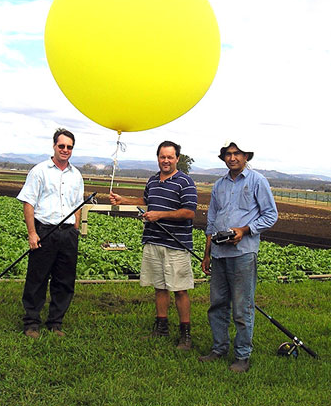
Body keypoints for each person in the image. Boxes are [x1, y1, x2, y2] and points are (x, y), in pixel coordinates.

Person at [110, 141, 197, 350]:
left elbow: (189, 212)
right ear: (158, 158)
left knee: (180, 289)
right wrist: (125, 200)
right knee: (159, 287)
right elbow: (146, 200)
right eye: (162, 157)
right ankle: (161, 327)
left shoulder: (185, 182)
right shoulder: (152, 180)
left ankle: (185, 334)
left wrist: (161, 215)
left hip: (176, 244)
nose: (165, 161)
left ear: (177, 159)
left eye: (170, 157)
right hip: (153, 240)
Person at [200, 140, 278, 372]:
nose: (232, 158)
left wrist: (244, 231)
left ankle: (242, 355)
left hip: (243, 253)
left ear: (246, 157)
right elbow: (211, 221)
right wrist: (207, 254)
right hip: (219, 253)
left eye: (237, 154)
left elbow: (270, 215)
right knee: (217, 304)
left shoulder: (257, 181)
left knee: (242, 307)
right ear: (223, 158)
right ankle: (218, 347)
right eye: (228, 154)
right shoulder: (219, 185)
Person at [17, 128, 84, 338]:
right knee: (37, 278)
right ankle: (31, 323)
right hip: (45, 230)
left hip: (68, 235)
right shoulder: (39, 171)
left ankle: (55, 323)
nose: (65, 150)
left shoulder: (76, 175)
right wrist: (32, 233)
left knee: (64, 281)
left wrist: (75, 229)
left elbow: (78, 205)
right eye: (61, 146)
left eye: (69, 147)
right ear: (54, 146)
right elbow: (29, 203)